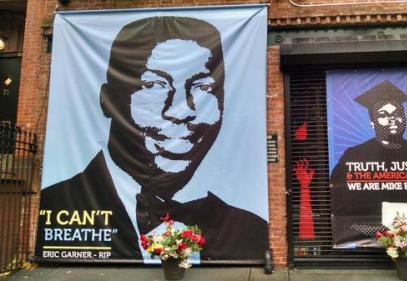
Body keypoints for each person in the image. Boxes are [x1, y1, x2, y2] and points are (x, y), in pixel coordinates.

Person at [36, 16, 268, 261]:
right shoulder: (56, 201)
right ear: (107, 99)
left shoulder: (252, 230)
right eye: (155, 85)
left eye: (203, 88)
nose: (181, 110)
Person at [330, 80, 407, 247]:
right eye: (383, 115)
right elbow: (340, 206)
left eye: (397, 113)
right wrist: (377, 233)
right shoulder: (353, 156)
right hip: (366, 241)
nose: (392, 119)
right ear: (372, 123)